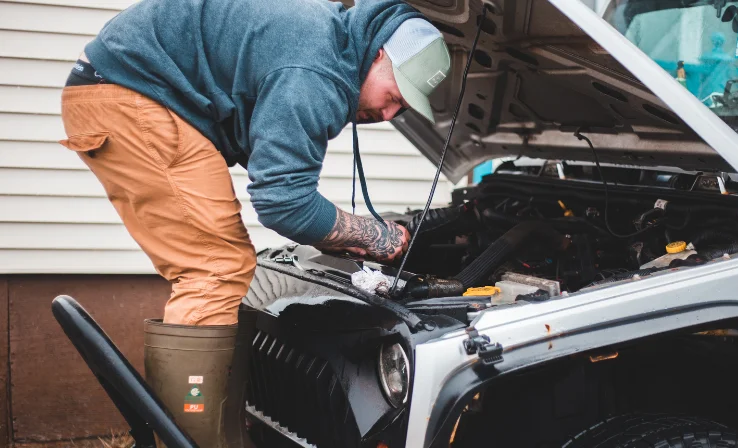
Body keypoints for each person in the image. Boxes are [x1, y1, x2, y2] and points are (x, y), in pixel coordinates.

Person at [58, 0, 451, 444]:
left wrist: (343, 235)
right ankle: (192, 439)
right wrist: (376, 237)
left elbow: (276, 175)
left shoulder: (328, 45)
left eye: (402, 108)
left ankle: (219, 430)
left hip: (123, 87)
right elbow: (283, 202)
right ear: (379, 53)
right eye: (394, 97)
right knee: (214, 269)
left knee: (218, 265)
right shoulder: (316, 69)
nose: (387, 115)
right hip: (131, 95)